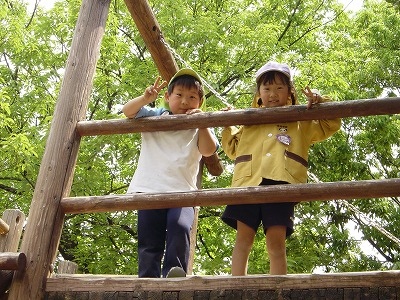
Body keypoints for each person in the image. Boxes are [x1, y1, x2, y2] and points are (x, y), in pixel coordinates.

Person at [221, 61, 341, 275]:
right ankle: (236, 287)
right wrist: (228, 122)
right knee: (243, 241)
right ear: (258, 93)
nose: (272, 94)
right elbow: (232, 150)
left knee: (276, 243)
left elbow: (329, 124)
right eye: (267, 89)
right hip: (247, 183)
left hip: (281, 182)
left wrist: (320, 102)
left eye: (279, 88)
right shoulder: (249, 122)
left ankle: (278, 288)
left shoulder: (300, 120)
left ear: (290, 92)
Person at [122, 69, 219, 278]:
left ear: (200, 103)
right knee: (149, 237)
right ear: (167, 97)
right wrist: (145, 98)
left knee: (180, 225)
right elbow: (128, 111)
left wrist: (202, 123)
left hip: (183, 191)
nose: (185, 101)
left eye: (192, 97)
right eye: (179, 95)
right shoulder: (156, 115)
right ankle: (147, 279)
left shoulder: (199, 125)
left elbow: (209, 150)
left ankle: (174, 273)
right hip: (149, 189)